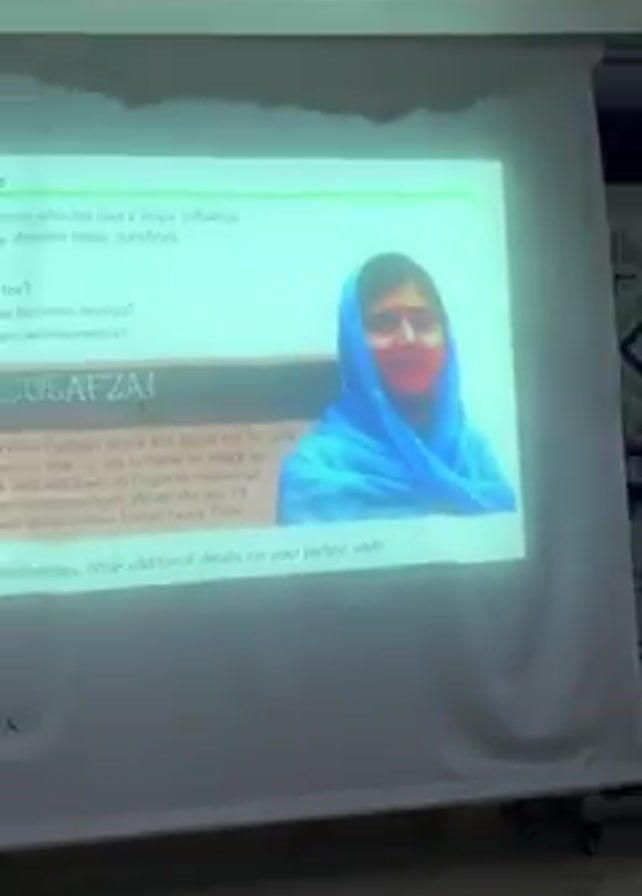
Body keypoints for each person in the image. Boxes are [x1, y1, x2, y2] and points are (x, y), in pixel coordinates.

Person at [277, 253, 516, 524]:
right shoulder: (316, 471)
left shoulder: (472, 455)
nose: (408, 338)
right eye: (383, 323)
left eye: (423, 322)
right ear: (353, 345)